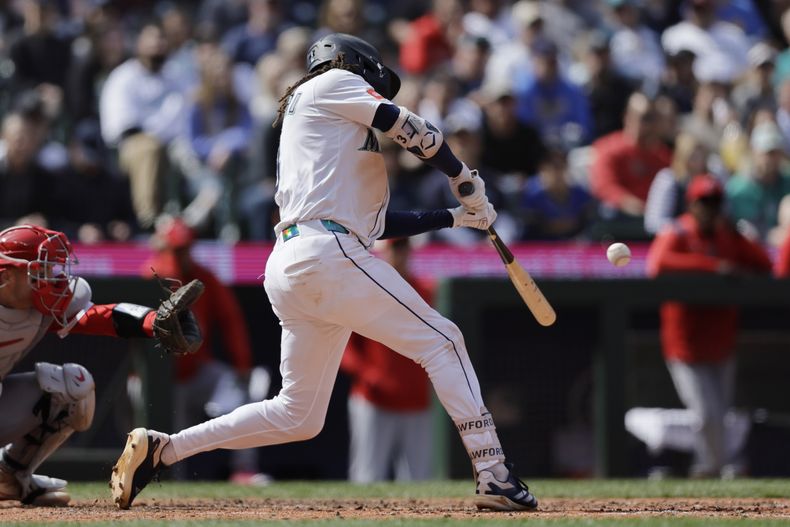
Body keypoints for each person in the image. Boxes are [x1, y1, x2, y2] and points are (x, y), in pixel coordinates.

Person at [111, 32, 537, 512]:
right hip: (326, 253)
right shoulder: (331, 81)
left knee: (299, 415)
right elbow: (409, 126)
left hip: (302, 259)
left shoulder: (332, 134)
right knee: (444, 342)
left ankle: (165, 448)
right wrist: (461, 175)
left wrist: (457, 217)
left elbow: (376, 225)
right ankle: (494, 472)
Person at [0, 224, 202, 506]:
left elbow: (94, 317)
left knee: (73, 387)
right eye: (39, 271)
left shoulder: (38, 303)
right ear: (6, 276)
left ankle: (9, 477)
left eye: (49, 269)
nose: (50, 278)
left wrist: (154, 321)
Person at [646, 174, 772, 478]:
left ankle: (713, 469)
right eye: (704, 202)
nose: (710, 209)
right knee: (705, 413)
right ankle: (710, 468)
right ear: (692, 204)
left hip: (720, 341)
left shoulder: (728, 235)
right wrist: (713, 267)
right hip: (685, 343)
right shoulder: (678, 231)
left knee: (720, 414)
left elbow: (765, 264)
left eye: (715, 202)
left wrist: (740, 238)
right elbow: (657, 264)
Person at [142, 216, 264, 484]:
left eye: (186, 248)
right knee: (166, 435)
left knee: (236, 385)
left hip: (197, 371)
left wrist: (242, 364)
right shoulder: (151, 276)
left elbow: (231, 320)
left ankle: (243, 469)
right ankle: (165, 480)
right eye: (177, 249)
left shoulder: (203, 277)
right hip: (162, 381)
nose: (183, 254)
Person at [340, 237, 434, 483]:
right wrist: (368, 375)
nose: (400, 254)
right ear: (383, 252)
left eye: (403, 247)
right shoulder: (365, 292)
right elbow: (345, 349)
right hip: (374, 399)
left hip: (417, 400)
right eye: (395, 248)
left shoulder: (426, 291)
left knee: (419, 479)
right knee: (368, 476)